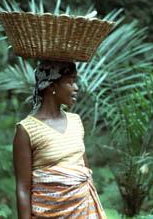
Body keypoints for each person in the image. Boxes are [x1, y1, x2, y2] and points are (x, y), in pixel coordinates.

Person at [13, 61, 106, 219]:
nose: (76, 88)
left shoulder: (76, 121)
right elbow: (23, 188)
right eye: (70, 82)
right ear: (52, 86)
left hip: (85, 212)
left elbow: (84, 172)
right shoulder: (26, 130)